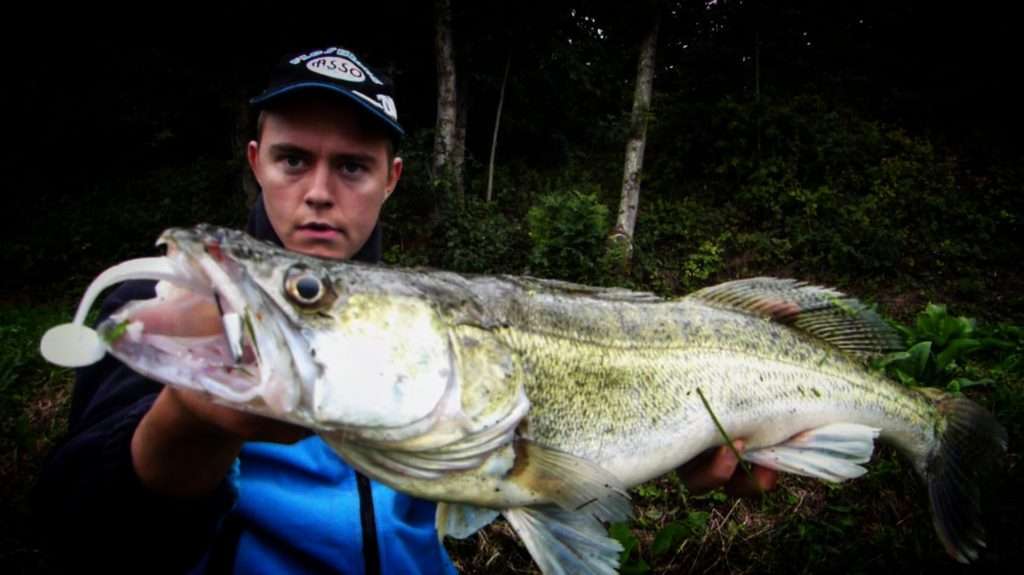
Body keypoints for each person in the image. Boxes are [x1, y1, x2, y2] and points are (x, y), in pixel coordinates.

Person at [36, 44, 775, 574]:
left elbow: (541, 468)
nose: (320, 190)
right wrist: (187, 421)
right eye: (295, 159)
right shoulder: (187, 308)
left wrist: (663, 443)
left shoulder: (435, 316)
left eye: (352, 165)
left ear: (391, 179)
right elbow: (82, 531)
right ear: (256, 158)